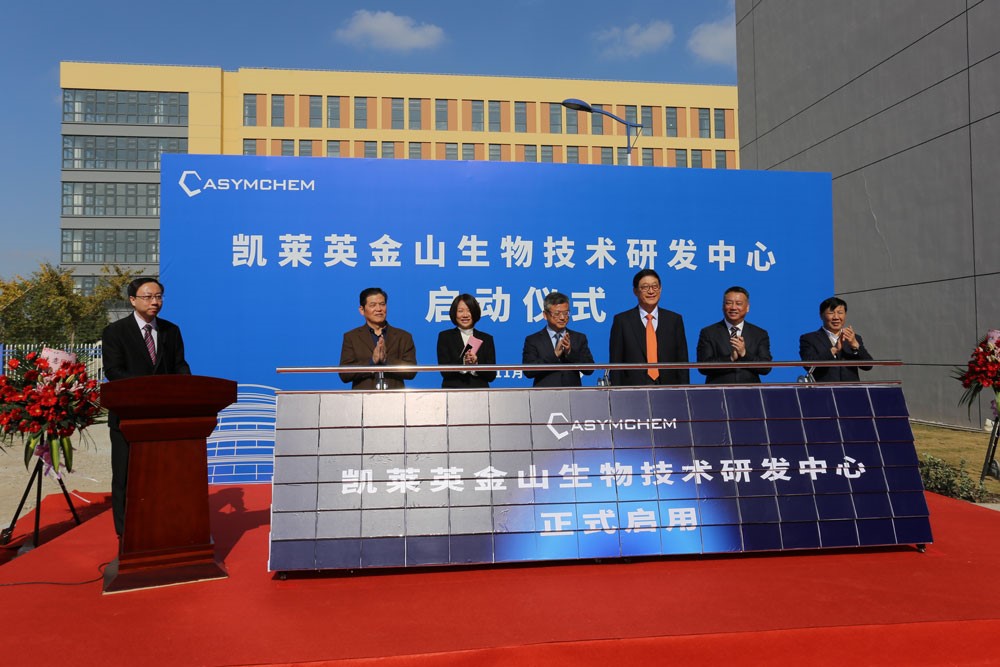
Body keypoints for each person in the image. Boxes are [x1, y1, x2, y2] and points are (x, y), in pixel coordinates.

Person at [102, 278, 191, 537]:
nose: (155, 302)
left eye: (159, 296)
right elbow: (113, 371)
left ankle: (162, 525)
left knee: (162, 476)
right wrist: (149, 390)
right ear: (132, 300)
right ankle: (125, 534)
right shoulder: (115, 332)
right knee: (125, 477)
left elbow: (179, 365)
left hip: (163, 417)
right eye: (148, 296)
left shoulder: (170, 330)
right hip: (128, 417)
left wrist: (188, 387)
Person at [608, 269, 689, 386]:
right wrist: (617, 391)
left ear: (660, 289)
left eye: (655, 286)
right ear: (635, 291)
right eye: (645, 287)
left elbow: (682, 361)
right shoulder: (622, 321)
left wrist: (684, 389)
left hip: (669, 388)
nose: (651, 291)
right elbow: (616, 363)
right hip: (633, 389)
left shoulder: (674, 320)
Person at [339, 287, 417, 389]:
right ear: (362, 310)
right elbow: (344, 374)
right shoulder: (352, 337)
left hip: (395, 396)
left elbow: (411, 371)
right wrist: (371, 362)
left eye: (382, 304)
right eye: (373, 305)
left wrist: (386, 361)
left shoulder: (403, 336)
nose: (379, 309)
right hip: (363, 396)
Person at [696, 286, 772, 384]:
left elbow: (766, 367)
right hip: (718, 390)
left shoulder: (759, 334)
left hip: (750, 390)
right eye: (729, 303)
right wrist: (730, 358)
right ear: (723, 306)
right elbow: (703, 367)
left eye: (738, 303)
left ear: (747, 307)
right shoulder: (708, 332)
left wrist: (744, 354)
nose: (733, 307)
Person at [522, 292, 594, 387]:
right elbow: (528, 371)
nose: (562, 318)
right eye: (557, 313)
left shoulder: (578, 338)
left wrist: (570, 353)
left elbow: (589, 369)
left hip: (572, 394)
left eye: (566, 313)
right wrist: (554, 355)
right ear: (545, 315)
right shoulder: (533, 340)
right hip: (544, 394)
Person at [799, 296, 874, 382]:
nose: (836, 317)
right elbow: (808, 365)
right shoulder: (809, 339)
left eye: (840, 313)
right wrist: (834, 350)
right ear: (821, 315)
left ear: (845, 314)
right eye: (831, 313)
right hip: (825, 389)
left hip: (851, 389)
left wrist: (855, 346)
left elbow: (868, 366)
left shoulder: (854, 338)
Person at [436, 294, 497, 389]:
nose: (465, 315)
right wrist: (463, 362)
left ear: (475, 313)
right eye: (460, 311)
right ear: (454, 313)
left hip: (480, 391)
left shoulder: (486, 338)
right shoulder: (445, 336)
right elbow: (445, 372)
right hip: (453, 390)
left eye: (469, 310)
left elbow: (491, 375)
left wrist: (476, 364)